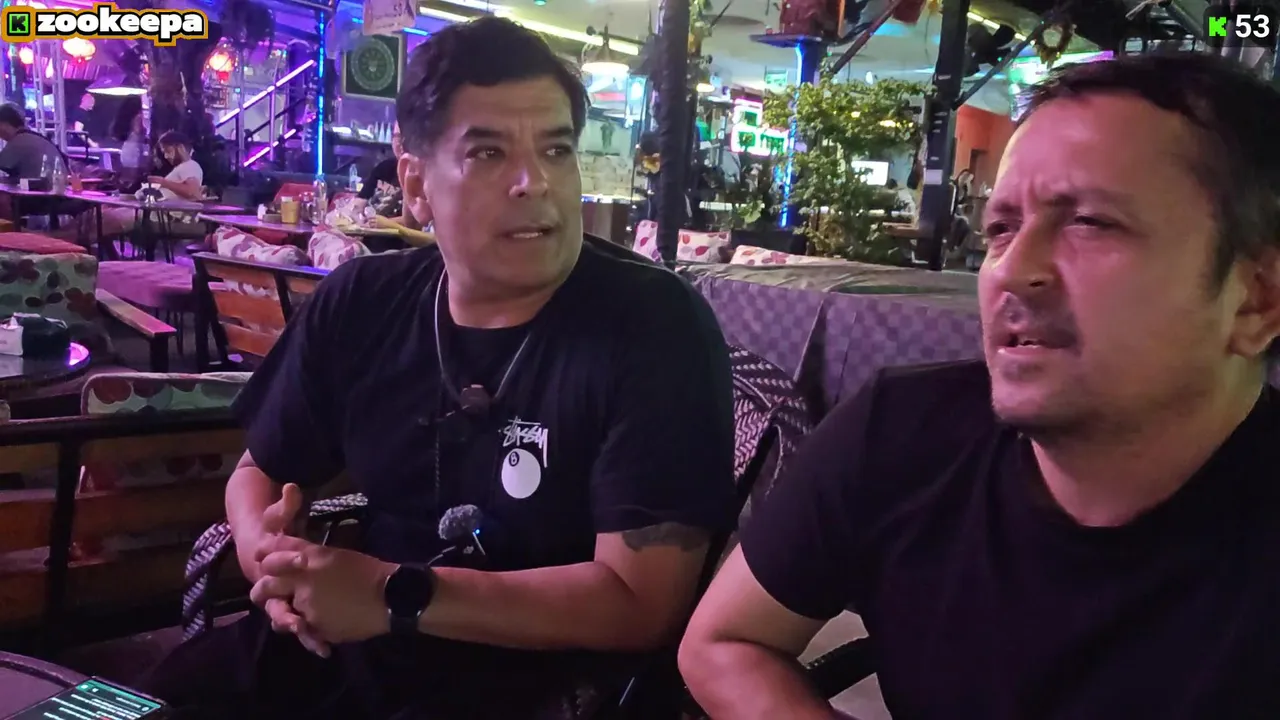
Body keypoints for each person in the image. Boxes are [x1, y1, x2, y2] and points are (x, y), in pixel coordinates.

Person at [139, 16, 735, 720]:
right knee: (153, 702)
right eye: (488, 153)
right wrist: (265, 553)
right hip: (348, 648)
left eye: (556, 150)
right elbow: (258, 472)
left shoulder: (653, 325)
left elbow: (641, 604)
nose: (534, 182)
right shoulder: (364, 301)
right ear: (416, 186)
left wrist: (391, 594)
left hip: (543, 683)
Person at [679, 51, 1280, 720]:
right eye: (1001, 228)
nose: (1012, 270)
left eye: (1091, 223)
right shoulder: (900, 433)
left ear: (1256, 301)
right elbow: (725, 642)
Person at [100, 130, 203, 237]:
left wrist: (163, 182)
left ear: (180, 148)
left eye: (168, 151)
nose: (166, 156)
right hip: (153, 211)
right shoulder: (180, 168)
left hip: (161, 215)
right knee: (103, 213)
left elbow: (192, 192)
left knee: (109, 218)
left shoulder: (191, 166)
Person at [0, 102, 62, 179]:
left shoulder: (19, 141)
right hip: (55, 183)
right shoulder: (34, 137)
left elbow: (3, 164)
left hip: (41, 185)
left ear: (4, 124)